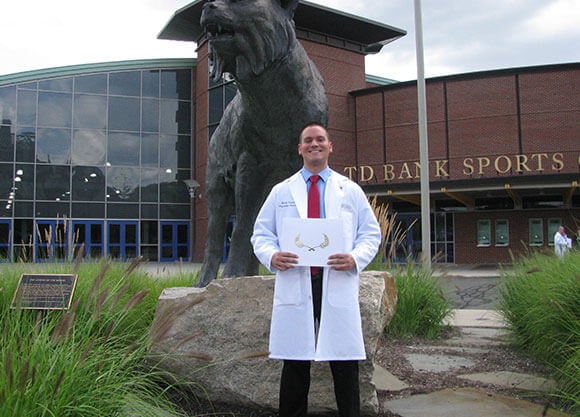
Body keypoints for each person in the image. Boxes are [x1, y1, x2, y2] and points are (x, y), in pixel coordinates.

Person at [251, 122, 381, 417]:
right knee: (295, 361)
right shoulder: (281, 191)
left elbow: (370, 234)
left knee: (344, 360)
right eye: (308, 140)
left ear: (330, 146)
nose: (314, 144)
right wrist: (272, 256)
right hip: (298, 281)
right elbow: (260, 233)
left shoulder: (350, 190)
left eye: (320, 139)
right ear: (300, 148)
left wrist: (355, 258)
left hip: (335, 280)